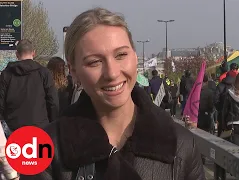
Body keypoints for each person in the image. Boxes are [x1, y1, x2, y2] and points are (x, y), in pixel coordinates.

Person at [29, 8, 204, 180]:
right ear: (73, 71)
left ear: (135, 58)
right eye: (95, 62)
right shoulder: (46, 149)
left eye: (121, 55)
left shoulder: (181, 145)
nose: (112, 73)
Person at [0, 39, 59, 132]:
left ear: (17, 54)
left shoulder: (6, 74)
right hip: (40, 128)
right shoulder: (44, 73)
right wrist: (52, 123)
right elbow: (53, 102)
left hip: (13, 129)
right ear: (34, 53)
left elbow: (1, 103)